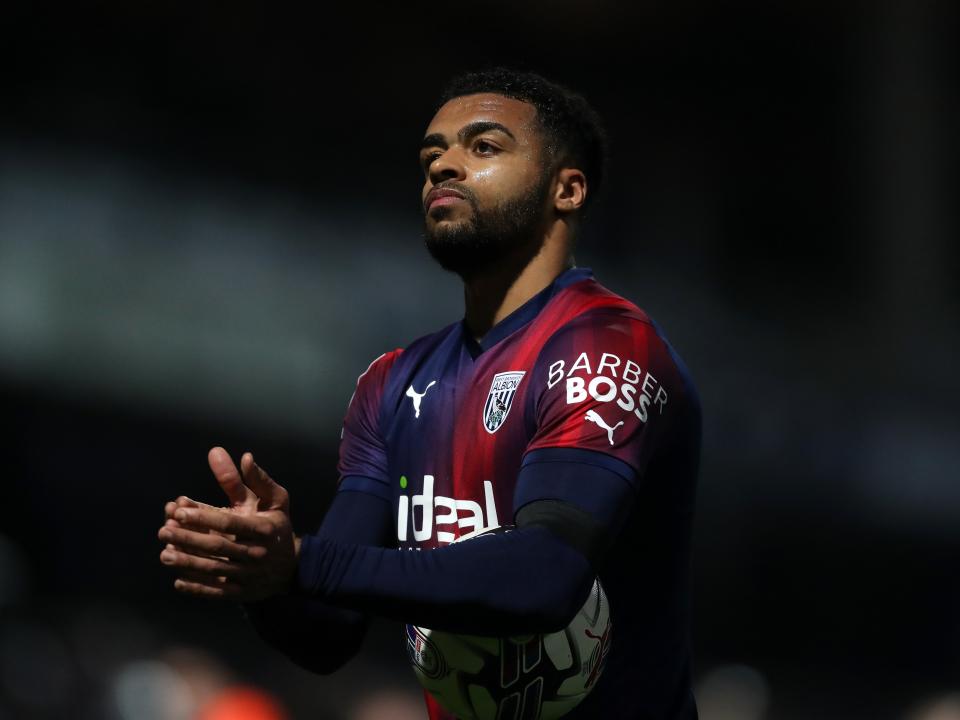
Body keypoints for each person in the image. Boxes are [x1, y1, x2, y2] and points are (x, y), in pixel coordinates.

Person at [158, 68, 701, 719]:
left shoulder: (608, 346)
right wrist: (263, 575)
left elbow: (545, 576)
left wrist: (304, 561)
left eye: (484, 146)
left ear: (568, 189)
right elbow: (328, 632)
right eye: (430, 156)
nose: (443, 165)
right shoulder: (393, 382)